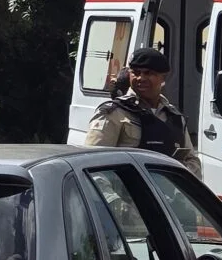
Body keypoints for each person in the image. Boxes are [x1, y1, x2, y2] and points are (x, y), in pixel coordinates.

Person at [84, 47, 202, 178]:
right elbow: (93, 164)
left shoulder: (174, 117)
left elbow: (192, 161)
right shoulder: (113, 112)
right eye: (135, 72)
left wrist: (178, 183)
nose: (141, 78)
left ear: (163, 78)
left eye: (148, 73)